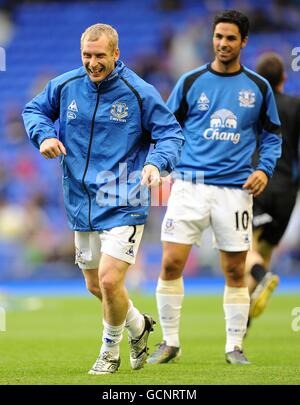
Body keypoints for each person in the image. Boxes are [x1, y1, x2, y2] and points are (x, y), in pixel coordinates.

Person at [22, 23, 184, 375]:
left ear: (116, 53)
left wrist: (157, 162)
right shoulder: (65, 86)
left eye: (99, 56)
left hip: (124, 198)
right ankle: (139, 325)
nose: (92, 63)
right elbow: (33, 111)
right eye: (86, 56)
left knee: (111, 280)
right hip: (81, 200)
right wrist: (44, 136)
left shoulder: (138, 91)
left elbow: (171, 133)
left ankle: (109, 352)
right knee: (97, 285)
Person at [147, 10, 282, 366]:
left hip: (234, 191)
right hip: (189, 186)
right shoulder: (190, 82)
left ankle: (234, 347)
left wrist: (264, 170)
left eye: (231, 38)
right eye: (218, 37)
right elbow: (166, 127)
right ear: (212, 38)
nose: (223, 43)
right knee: (171, 264)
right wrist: (163, 163)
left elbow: (271, 136)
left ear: (244, 42)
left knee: (235, 271)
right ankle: (170, 342)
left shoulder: (258, 87)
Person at [246, 52, 300, 322]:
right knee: (263, 251)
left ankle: (261, 276)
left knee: (241, 246)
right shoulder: (295, 105)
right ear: (284, 78)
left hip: (258, 183)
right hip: (288, 192)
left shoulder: (251, 106)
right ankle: (241, 327)